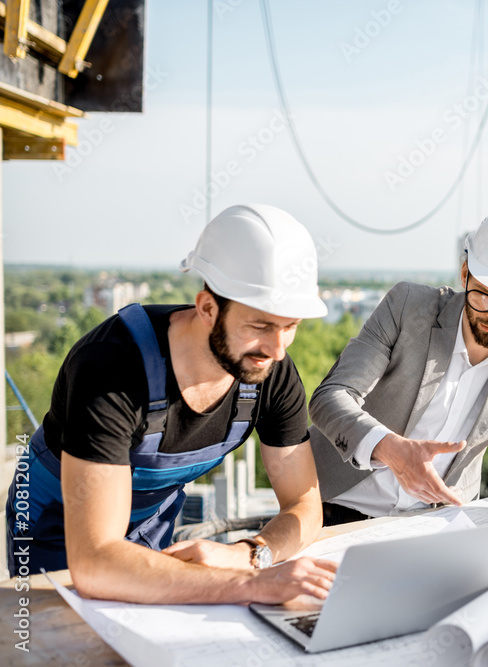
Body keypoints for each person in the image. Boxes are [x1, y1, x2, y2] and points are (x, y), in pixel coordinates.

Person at [6, 204, 337, 604]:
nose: (277, 350)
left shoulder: (268, 372)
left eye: (290, 328)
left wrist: (249, 555)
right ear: (208, 308)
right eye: (260, 326)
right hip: (56, 523)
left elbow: (305, 505)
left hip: (151, 519)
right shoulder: (110, 367)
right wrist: (254, 584)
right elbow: (94, 562)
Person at [309, 203, 488, 555]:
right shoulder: (408, 307)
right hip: (334, 513)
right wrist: (392, 450)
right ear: (465, 273)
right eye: (484, 296)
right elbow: (330, 397)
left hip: (435, 529)